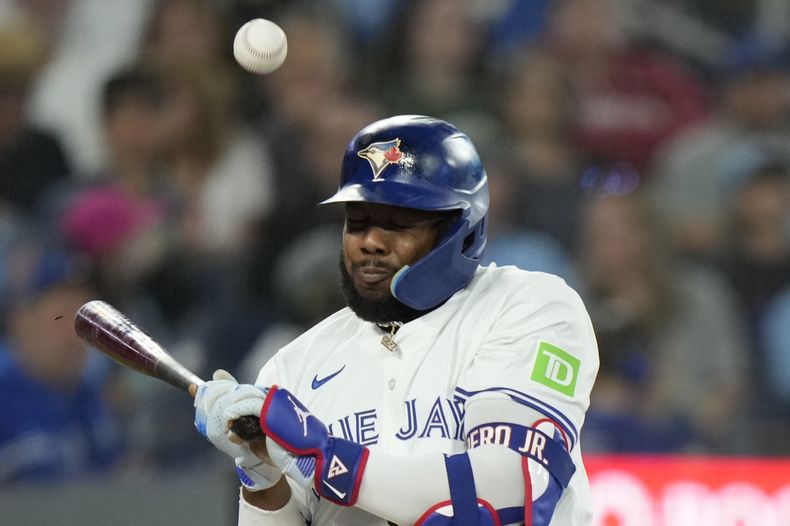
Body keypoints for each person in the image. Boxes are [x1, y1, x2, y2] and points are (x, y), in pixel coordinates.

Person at [193, 115, 599, 525]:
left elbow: (504, 497)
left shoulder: (527, 307)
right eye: (359, 221)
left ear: (461, 229)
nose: (370, 242)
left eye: (398, 223)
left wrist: (322, 456)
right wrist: (261, 478)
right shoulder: (294, 365)